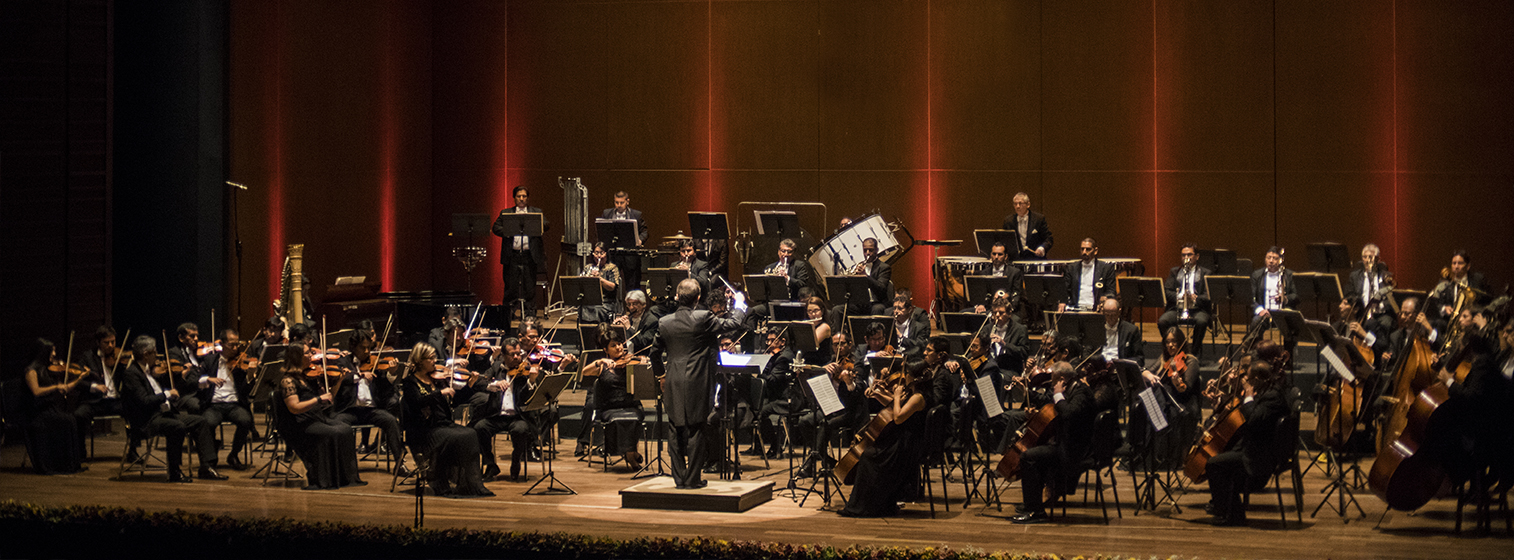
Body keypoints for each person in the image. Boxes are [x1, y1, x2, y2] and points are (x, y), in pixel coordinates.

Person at [655, 277, 747, 489]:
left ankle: (679, 478)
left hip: (673, 380)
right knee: (697, 427)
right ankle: (693, 479)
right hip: (698, 378)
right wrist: (739, 305)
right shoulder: (703, 317)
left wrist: (661, 376)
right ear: (698, 298)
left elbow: (654, 353)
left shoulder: (664, 322)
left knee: (675, 427)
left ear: (678, 297)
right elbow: (733, 323)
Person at [838, 359, 935, 517]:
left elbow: (898, 417)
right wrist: (878, 394)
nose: (904, 377)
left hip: (907, 446)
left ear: (916, 378)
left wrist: (896, 396)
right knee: (870, 452)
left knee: (868, 456)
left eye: (907, 374)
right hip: (902, 439)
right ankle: (879, 504)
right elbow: (893, 407)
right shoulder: (913, 392)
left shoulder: (919, 397)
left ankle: (863, 506)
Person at [119, 335, 216, 482]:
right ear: (146, 354)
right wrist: (166, 394)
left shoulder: (150, 372)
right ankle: (175, 471)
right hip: (146, 420)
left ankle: (206, 467)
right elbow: (144, 401)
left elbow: (171, 386)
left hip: (163, 415)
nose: (157, 356)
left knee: (200, 421)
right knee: (176, 426)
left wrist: (180, 378)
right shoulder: (131, 374)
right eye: (154, 352)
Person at [401, 342, 493, 497]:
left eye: (435, 357)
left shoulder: (437, 380)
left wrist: (469, 386)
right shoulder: (410, 382)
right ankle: (446, 482)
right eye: (430, 358)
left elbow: (455, 402)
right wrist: (440, 393)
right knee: (461, 436)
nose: (435, 361)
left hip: (444, 425)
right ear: (420, 361)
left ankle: (470, 484)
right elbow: (417, 402)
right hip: (424, 430)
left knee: (471, 433)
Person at [1205, 361, 1290, 526]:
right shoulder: (1267, 391)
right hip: (1254, 447)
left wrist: (1249, 396)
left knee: (1213, 464)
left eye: (1248, 378)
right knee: (1222, 456)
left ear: (1257, 379)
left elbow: (1253, 420)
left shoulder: (1272, 397)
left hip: (1260, 456)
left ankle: (1226, 512)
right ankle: (1231, 512)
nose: (1245, 381)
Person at [1011, 361, 1097, 524]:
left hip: (1075, 451)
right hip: (1065, 444)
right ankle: (1032, 505)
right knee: (1034, 453)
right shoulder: (1070, 389)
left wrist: (1058, 395)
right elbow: (1052, 409)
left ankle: (1036, 511)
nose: (1051, 382)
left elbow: (1068, 415)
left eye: (1053, 379)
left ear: (1062, 379)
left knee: (1028, 457)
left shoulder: (1081, 393)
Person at [274, 344, 365, 490]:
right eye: (307, 353)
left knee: (345, 429)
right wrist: (318, 399)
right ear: (297, 357)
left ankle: (345, 478)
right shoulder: (288, 381)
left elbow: (328, 401)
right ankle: (323, 479)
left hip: (315, 418)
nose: (311, 355)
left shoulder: (309, 377)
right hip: (298, 424)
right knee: (333, 432)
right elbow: (294, 408)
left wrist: (339, 380)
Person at [332, 329, 405, 476]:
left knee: (390, 420)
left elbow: (385, 388)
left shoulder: (375, 362)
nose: (367, 351)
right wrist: (359, 375)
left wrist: (391, 373)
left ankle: (400, 463)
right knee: (339, 424)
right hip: (349, 410)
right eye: (362, 347)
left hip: (370, 410)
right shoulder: (343, 362)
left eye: (368, 347)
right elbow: (338, 377)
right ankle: (345, 467)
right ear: (353, 347)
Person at [795, 332, 868, 478]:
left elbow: (858, 390)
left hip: (848, 411)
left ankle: (811, 463)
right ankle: (827, 461)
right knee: (803, 421)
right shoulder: (830, 362)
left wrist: (848, 382)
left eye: (842, 344)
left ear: (849, 345)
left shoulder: (855, 364)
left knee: (825, 423)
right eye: (835, 344)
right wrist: (823, 370)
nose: (839, 347)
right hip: (829, 407)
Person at [1132, 327, 1202, 470]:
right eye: (1167, 342)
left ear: (1181, 342)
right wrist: (1148, 375)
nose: (1170, 345)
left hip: (1182, 402)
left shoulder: (1191, 361)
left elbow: (1186, 390)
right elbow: (1146, 370)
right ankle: (1142, 452)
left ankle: (1163, 456)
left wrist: (1177, 383)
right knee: (1139, 405)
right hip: (1164, 399)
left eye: (1174, 342)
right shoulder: (1165, 359)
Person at [472, 337, 539, 482]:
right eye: (512, 354)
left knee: (521, 430)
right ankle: (490, 464)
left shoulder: (524, 372)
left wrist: (531, 382)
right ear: (503, 356)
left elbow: (528, 399)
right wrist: (494, 383)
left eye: (518, 353)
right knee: (479, 428)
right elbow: (481, 381)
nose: (516, 357)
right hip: (496, 416)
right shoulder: (496, 368)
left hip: (517, 417)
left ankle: (516, 462)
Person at [582, 326, 647, 470]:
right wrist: (600, 362)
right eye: (613, 345)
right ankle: (630, 453)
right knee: (619, 419)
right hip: (609, 408)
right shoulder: (602, 366)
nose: (619, 348)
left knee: (635, 417)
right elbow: (584, 372)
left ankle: (629, 452)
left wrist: (643, 365)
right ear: (605, 350)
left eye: (619, 344)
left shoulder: (630, 361)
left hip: (631, 405)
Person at [195, 329, 257, 472]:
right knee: (207, 423)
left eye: (237, 344)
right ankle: (211, 455)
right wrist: (208, 379)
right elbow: (196, 380)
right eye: (232, 345)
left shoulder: (241, 363)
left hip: (234, 404)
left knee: (246, 420)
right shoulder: (210, 361)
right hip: (214, 405)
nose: (235, 348)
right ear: (222, 344)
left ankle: (233, 455)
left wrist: (250, 376)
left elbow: (247, 391)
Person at [22, 338, 86, 475]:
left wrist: (80, 378)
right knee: (66, 421)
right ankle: (58, 464)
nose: (54, 354)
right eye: (52, 351)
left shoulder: (46, 369)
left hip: (50, 409)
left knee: (71, 420)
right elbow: (36, 391)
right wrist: (55, 386)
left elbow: (64, 389)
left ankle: (70, 464)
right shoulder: (31, 371)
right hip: (38, 412)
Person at [72, 325, 129, 459]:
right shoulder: (87, 357)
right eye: (106, 342)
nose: (110, 346)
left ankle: (133, 450)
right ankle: (81, 452)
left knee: (135, 410)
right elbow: (77, 381)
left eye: (113, 342)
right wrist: (94, 386)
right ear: (98, 343)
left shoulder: (119, 358)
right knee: (79, 415)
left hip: (115, 401)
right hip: (94, 402)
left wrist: (127, 367)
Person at [493, 185, 549, 320]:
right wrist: (509, 230)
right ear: (514, 198)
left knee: (529, 287)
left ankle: (530, 315)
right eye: (519, 196)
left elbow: (546, 224)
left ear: (528, 198)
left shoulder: (536, 212)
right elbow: (495, 227)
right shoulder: (506, 213)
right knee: (511, 287)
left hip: (529, 255)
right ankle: (508, 314)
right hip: (512, 255)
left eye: (524, 196)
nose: (522, 199)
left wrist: (534, 224)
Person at [1157, 243, 1213, 359]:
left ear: (1197, 256)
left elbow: (1209, 295)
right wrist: (1180, 297)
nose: (1186, 258)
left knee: (1201, 321)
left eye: (1189, 254)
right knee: (1163, 321)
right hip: (1178, 308)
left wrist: (1195, 298)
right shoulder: (1175, 272)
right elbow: (1167, 291)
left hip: (1198, 309)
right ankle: (1174, 350)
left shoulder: (1205, 273)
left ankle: (1193, 353)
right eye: (1183, 255)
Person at [753, 329, 797, 459]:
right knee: (755, 409)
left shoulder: (784, 358)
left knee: (761, 413)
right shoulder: (778, 355)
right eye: (768, 340)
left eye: (773, 341)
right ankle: (760, 446)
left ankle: (775, 445)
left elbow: (773, 380)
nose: (769, 344)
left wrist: (758, 370)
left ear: (783, 341)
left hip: (787, 399)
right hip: (777, 397)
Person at [1251, 246, 1300, 360]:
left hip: (1282, 313)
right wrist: (1260, 310)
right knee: (1255, 322)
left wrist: (1285, 298)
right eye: (1268, 258)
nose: (1271, 261)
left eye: (1274, 258)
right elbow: (1251, 298)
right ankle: (1256, 357)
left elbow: (1297, 295)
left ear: (1280, 260)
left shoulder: (1289, 275)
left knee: (1291, 324)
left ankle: (1288, 359)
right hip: (1265, 312)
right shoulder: (1257, 275)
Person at [602, 190, 649, 294]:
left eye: (621, 202)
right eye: (616, 202)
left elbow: (644, 231)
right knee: (611, 282)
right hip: (614, 254)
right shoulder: (607, 213)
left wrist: (640, 240)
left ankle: (631, 308)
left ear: (627, 201)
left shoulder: (636, 214)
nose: (619, 205)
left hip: (630, 254)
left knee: (632, 284)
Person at [1344, 244, 1396, 336]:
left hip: (1380, 315)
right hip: (1361, 314)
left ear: (1378, 259)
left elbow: (1392, 300)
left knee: (1387, 322)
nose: (1368, 260)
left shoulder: (1386, 277)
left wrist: (1381, 304)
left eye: (1371, 257)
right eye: (1365, 257)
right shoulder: (1355, 276)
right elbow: (1349, 295)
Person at [1428, 250, 1491, 322]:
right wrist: (1444, 308)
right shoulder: (1445, 284)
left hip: (1473, 322)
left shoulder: (1478, 280)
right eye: (1454, 263)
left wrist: (1473, 312)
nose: (1456, 266)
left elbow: (1488, 301)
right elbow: (1435, 305)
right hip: (1451, 323)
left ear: (1468, 266)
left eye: (1460, 263)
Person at [1059, 238, 1117, 312]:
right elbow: (1065, 290)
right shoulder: (1071, 268)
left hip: (1097, 309)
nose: (1084, 252)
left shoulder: (1106, 268)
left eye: (1088, 249)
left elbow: (1111, 291)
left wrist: (1105, 298)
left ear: (1095, 251)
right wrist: (1062, 301)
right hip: (1075, 309)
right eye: (1082, 249)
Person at [578, 242, 622, 324]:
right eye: (596, 253)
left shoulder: (612, 268)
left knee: (597, 310)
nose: (599, 256)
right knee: (582, 308)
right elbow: (581, 285)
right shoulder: (588, 267)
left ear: (606, 254)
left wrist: (600, 279)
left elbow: (613, 287)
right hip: (591, 301)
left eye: (602, 253)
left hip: (606, 302)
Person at [1000, 192, 1053, 260]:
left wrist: (1042, 248)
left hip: (1035, 259)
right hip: (1015, 260)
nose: (1017, 206)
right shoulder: (1008, 221)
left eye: (1020, 203)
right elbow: (1005, 241)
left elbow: (1048, 238)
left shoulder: (1038, 219)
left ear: (1028, 204)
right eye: (1015, 204)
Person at [1096, 295, 1144, 363]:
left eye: (1113, 314)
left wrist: (1121, 363)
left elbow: (1139, 358)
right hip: (1099, 368)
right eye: (1107, 315)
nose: (1110, 318)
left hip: (1120, 369)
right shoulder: (1096, 328)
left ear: (1119, 312)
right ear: (1103, 312)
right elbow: (1087, 354)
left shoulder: (1131, 330)